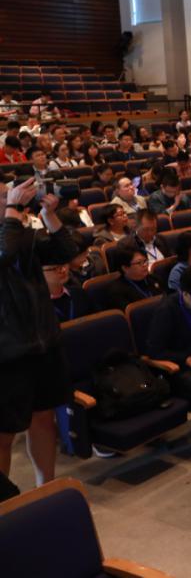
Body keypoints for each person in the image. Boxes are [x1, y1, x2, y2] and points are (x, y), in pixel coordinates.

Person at [0, 181, 75, 488]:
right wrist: (12, 211)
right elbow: (4, 255)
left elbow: (66, 251)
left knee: (44, 419)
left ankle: (47, 487)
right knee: (4, 433)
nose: (13, 198)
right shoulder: (10, 233)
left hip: (43, 342)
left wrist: (49, 215)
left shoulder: (21, 234)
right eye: (4, 196)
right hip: (8, 352)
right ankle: (4, 501)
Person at [146, 265, 191, 401]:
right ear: (186, 294)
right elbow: (154, 351)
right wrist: (185, 359)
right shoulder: (166, 311)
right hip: (181, 368)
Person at [104, 246, 163, 310]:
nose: (145, 265)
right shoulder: (117, 291)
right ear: (125, 268)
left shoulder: (153, 279)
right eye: (139, 263)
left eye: (145, 261)